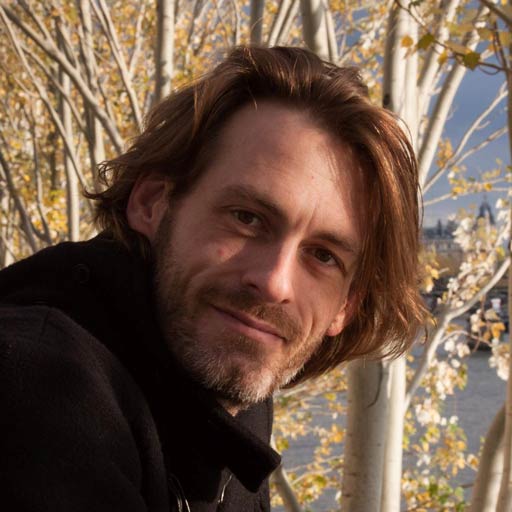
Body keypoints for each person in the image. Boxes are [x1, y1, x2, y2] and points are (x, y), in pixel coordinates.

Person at [0, 46, 426, 511]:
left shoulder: (232, 385)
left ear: (347, 305)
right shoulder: (38, 384)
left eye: (323, 256)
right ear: (152, 203)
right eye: (247, 218)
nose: (275, 284)